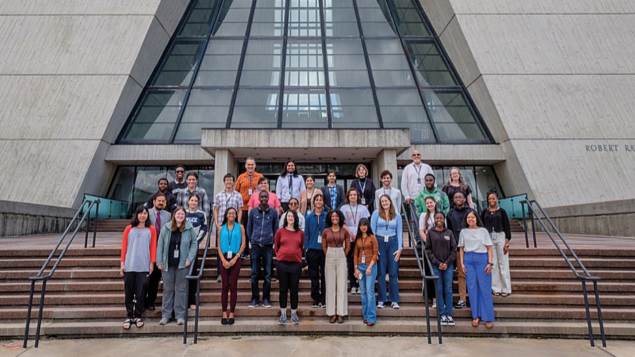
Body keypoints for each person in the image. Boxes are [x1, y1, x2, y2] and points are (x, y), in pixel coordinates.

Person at [156, 206, 197, 326]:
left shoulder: (189, 228)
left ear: (185, 216)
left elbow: (194, 244)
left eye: (182, 214)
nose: (180, 216)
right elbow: (160, 245)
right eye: (178, 214)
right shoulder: (166, 227)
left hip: (182, 264)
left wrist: (189, 259)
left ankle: (180, 315)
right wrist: (159, 261)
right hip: (168, 264)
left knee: (181, 289)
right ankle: (166, 315)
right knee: (168, 290)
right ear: (174, 215)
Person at [120, 206, 157, 330]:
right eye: (140, 213)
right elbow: (124, 247)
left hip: (144, 265)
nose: (142, 215)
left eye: (145, 213)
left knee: (141, 292)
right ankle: (129, 316)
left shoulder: (151, 229)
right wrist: (122, 263)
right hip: (130, 265)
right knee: (129, 292)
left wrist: (152, 263)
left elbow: (153, 247)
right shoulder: (129, 229)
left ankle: (138, 315)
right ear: (136, 215)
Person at [459, 211, 494, 329]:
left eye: (472, 217)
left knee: (484, 287)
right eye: (468, 217)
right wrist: (462, 263)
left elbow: (489, 248)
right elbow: (461, 249)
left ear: (476, 218)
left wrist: (490, 263)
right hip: (468, 259)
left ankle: (488, 317)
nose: (470, 219)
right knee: (472, 287)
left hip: (482, 258)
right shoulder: (463, 232)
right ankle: (476, 316)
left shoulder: (483, 231)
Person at [247, 191, 279, 308]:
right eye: (262, 197)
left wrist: (272, 242)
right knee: (254, 274)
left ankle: (266, 298)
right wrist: (252, 240)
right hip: (255, 247)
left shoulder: (274, 213)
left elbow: (276, 229)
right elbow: (249, 228)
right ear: (259, 198)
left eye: (266, 197)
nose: (264, 198)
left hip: (268, 247)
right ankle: (255, 298)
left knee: (267, 274)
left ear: (268, 198)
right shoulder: (253, 212)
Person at [425, 212, 457, 326]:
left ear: (444, 220)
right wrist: (438, 262)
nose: (439, 220)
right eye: (437, 218)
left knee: (448, 289)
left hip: (448, 266)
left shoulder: (449, 232)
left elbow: (454, 250)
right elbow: (428, 250)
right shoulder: (430, 233)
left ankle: (449, 314)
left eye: (441, 218)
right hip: (436, 265)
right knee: (439, 290)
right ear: (434, 219)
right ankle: (442, 314)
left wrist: (447, 262)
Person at [371, 194, 403, 309]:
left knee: (393, 272)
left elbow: (399, 232)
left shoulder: (397, 215)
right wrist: (375, 248)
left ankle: (394, 299)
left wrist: (400, 248)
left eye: (386, 201)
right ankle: (381, 299)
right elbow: (372, 231)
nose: (384, 203)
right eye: (382, 201)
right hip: (379, 241)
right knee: (381, 272)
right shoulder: (376, 213)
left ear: (390, 202)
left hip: (393, 241)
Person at [275, 210, 305, 325]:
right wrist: (281, 255)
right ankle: (283, 314)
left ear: (296, 218)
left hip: (295, 265)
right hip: (282, 264)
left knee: (294, 290)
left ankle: (293, 313)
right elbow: (277, 246)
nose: (290, 218)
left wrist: (295, 255)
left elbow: (301, 247)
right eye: (288, 216)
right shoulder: (280, 231)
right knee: (283, 289)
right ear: (285, 218)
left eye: (292, 216)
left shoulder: (300, 233)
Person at [217, 207, 246, 325]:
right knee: (224, 286)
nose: (231, 215)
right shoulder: (221, 228)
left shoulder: (240, 227)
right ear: (226, 215)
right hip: (224, 258)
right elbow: (218, 245)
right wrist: (223, 260)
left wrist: (236, 257)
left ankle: (232, 312)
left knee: (233, 286)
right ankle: (224, 312)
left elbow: (243, 243)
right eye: (229, 213)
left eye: (233, 213)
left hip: (236, 258)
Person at [322, 209, 351, 324]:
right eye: (333, 216)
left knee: (342, 284)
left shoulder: (344, 231)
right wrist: (328, 254)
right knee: (330, 284)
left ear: (340, 218)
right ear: (330, 218)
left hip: (341, 254)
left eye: (337, 216)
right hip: (329, 254)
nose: (335, 218)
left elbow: (348, 246)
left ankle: (341, 313)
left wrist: (343, 255)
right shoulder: (326, 231)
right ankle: (331, 313)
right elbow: (324, 246)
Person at [481, 191, 512, 297]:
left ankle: (506, 288)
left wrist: (507, 243)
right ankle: (496, 288)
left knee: (503, 262)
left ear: (497, 199)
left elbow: (507, 227)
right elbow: (482, 226)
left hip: (500, 236)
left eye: (493, 198)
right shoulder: (484, 212)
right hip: (489, 237)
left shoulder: (502, 211)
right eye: (489, 199)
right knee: (493, 263)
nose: (491, 201)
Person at [340, 188, 370, 294]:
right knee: (351, 260)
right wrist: (350, 233)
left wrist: (358, 234)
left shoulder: (363, 208)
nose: (353, 196)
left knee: (361, 260)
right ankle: (353, 284)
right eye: (351, 195)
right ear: (348, 197)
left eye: (355, 195)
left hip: (360, 237)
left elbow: (365, 223)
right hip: (348, 237)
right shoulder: (344, 208)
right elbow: (342, 223)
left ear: (358, 197)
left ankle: (361, 283)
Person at [446, 191, 473, 309]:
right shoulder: (450, 213)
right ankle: (462, 299)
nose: (458, 199)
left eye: (460, 197)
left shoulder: (471, 212)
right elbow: (449, 231)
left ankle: (473, 297)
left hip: (472, 248)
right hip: (458, 248)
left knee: (472, 275)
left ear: (464, 199)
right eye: (456, 197)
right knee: (461, 274)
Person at [145, 194, 171, 312]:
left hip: (161, 249)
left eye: (163, 201)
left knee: (155, 277)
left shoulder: (168, 215)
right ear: (154, 201)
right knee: (144, 278)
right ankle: (141, 301)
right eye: (159, 201)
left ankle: (151, 301)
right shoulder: (146, 212)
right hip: (147, 248)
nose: (161, 203)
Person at [235, 157, 264, 257]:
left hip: (257, 208)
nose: (250, 166)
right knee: (245, 229)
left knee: (256, 229)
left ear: (255, 165)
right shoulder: (241, 177)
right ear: (245, 166)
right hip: (244, 208)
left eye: (252, 164)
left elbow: (264, 189)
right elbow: (236, 192)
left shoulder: (260, 176)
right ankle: (245, 250)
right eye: (248, 165)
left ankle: (257, 251)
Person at [354, 218, 378, 326]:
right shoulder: (358, 239)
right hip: (360, 267)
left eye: (365, 225)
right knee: (363, 292)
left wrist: (370, 267)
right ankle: (365, 315)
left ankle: (371, 317)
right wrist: (356, 268)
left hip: (370, 266)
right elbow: (355, 254)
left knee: (369, 292)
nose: (363, 227)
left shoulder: (372, 238)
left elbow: (375, 253)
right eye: (361, 225)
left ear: (368, 226)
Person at [185, 194, 208, 308]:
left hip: (194, 247)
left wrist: (195, 242)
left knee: (193, 273)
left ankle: (192, 301)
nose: (193, 202)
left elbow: (204, 229)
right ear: (188, 202)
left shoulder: (201, 214)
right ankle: (182, 300)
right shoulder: (182, 212)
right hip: (182, 247)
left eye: (195, 201)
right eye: (191, 200)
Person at [305, 194, 327, 308]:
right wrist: (306, 248)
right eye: (317, 200)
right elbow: (306, 234)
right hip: (312, 249)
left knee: (324, 275)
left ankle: (323, 298)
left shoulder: (327, 216)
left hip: (324, 250)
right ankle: (315, 297)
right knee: (314, 275)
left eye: (320, 200)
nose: (319, 202)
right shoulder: (309, 217)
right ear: (314, 202)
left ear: (323, 202)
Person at [418, 196, 440, 307]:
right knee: (430, 271)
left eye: (431, 202)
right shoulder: (423, 215)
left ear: (435, 203)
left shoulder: (440, 215)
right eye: (427, 203)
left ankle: (441, 297)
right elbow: (421, 231)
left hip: (440, 247)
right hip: (429, 247)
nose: (429, 205)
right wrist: (429, 242)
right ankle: (434, 297)